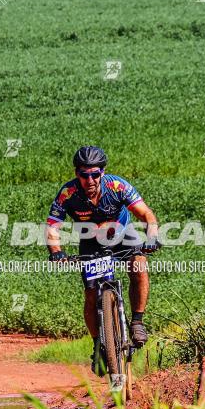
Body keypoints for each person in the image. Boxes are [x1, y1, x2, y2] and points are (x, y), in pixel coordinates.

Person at [45, 146, 160, 375]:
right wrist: (56, 251)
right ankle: (98, 344)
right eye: (84, 174)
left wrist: (152, 237)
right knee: (90, 294)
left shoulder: (117, 186)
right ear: (76, 173)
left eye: (95, 174)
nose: (90, 180)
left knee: (139, 264)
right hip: (91, 241)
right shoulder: (68, 193)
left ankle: (137, 322)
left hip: (122, 235)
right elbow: (52, 226)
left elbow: (146, 215)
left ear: (103, 172)